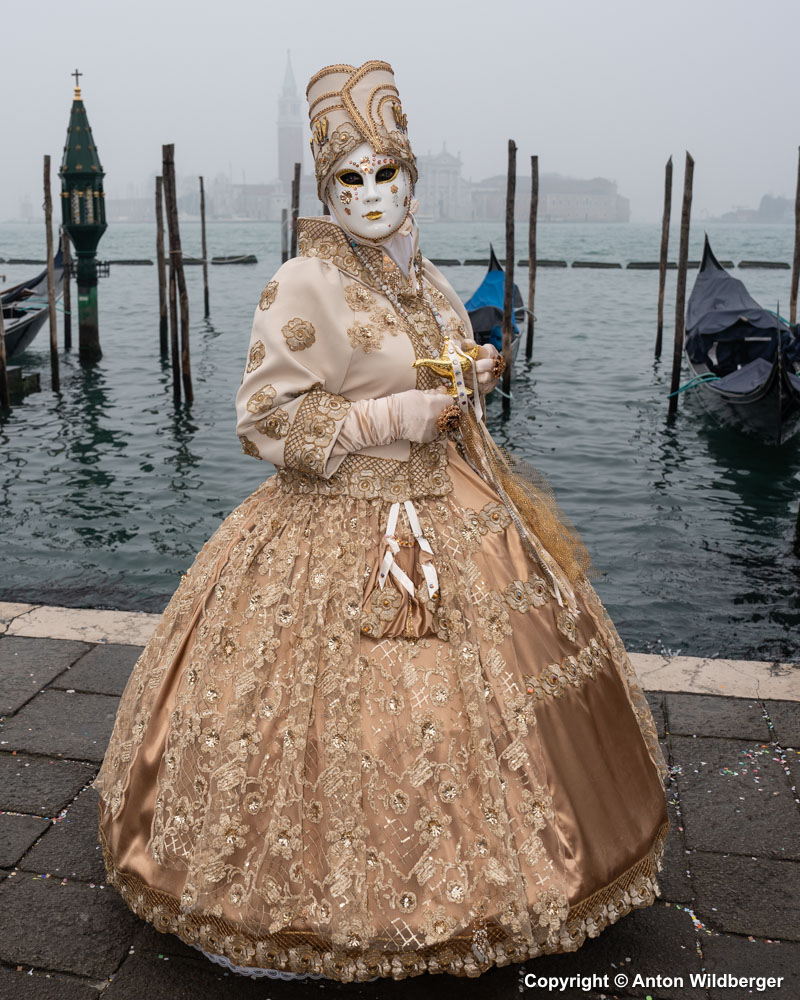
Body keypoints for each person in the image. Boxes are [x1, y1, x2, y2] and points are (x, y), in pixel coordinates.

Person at [95, 60, 668, 984]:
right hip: (336, 522)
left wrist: (467, 375)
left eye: (384, 172)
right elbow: (263, 419)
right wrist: (386, 418)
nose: (369, 192)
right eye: (349, 177)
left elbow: (428, 371)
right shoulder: (305, 282)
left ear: (411, 177)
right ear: (326, 188)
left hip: (451, 507)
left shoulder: (426, 277)